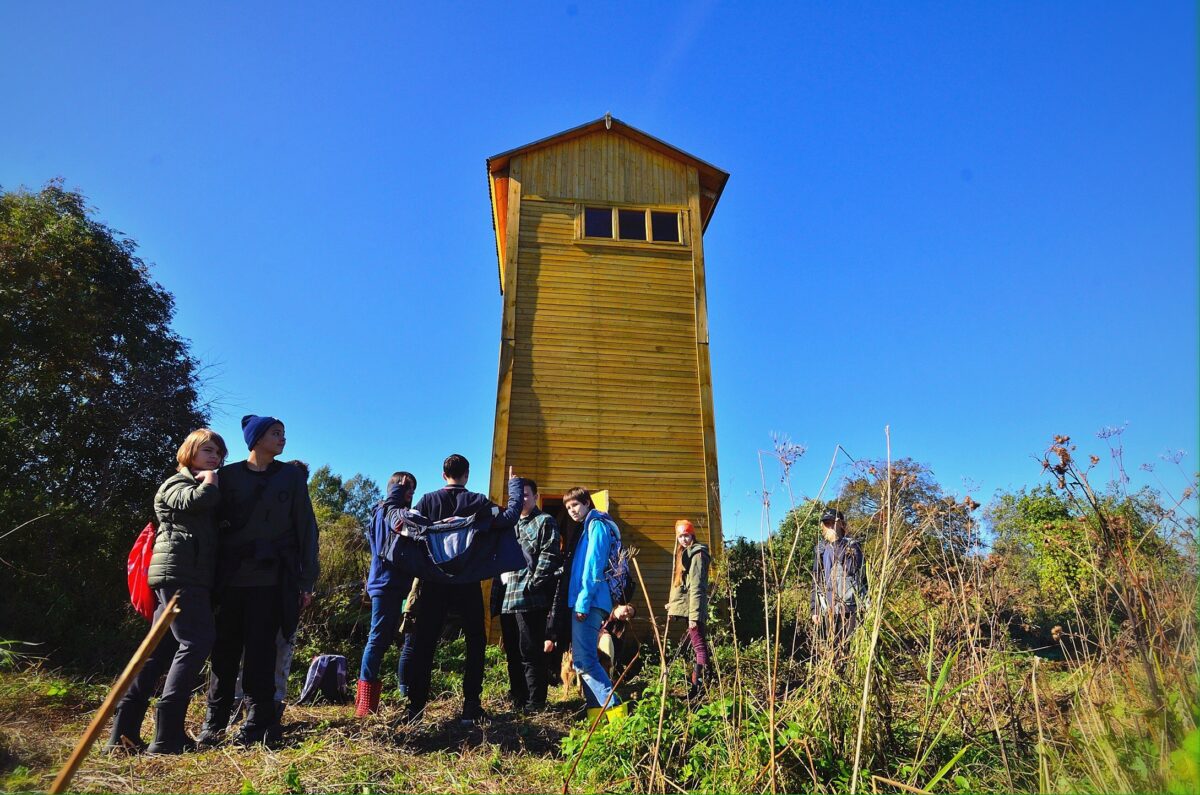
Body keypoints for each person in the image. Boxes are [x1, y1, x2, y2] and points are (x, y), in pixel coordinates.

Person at [198, 415, 319, 747]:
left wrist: (306, 579)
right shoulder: (228, 476)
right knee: (224, 653)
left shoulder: (292, 477)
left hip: (271, 580)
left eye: (283, 433)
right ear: (256, 439)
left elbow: (306, 528)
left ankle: (256, 724)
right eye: (275, 434)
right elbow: (207, 526)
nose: (282, 439)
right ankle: (214, 722)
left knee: (262, 653)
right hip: (230, 580)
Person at [105, 429, 226, 754]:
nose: (214, 458)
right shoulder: (178, 483)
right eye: (208, 451)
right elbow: (199, 501)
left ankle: (123, 734)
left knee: (158, 652)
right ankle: (167, 732)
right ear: (189, 452)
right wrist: (211, 480)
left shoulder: (194, 482)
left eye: (218, 454)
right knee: (197, 641)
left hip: (183, 574)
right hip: (180, 575)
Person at [403, 454, 521, 725]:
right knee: (475, 642)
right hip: (468, 582)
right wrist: (514, 487)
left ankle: (416, 708)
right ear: (466, 475)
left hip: (434, 582)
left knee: (424, 643)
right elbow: (509, 518)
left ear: (443, 475)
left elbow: (410, 527)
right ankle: (471, 706)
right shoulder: (477, 502)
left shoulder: (428, 501)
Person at [491, 478, 562, 714]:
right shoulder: (509, 526)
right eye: (517, 495)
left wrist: (533, 584)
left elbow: (549, 557)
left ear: (534, 496)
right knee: (512, 652)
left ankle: (535, 702)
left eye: (526, 495)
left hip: (529, 599)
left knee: (530, 652)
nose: (522, 499)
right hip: (506, 598)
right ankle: (517, 698)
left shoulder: (545, 522)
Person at [355, 471, 418, 716]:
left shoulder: (398, 513)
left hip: (396, 584)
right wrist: (395, 497)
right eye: (408, 489)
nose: (411, 494)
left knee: (390, 637)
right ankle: (365, 704)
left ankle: (371, 698)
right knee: (378, 638)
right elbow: (384, 546)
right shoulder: (384, 512)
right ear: (396, 489)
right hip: (385, 583)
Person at [563, 487, 626, 724]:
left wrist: (582, 602)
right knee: (584, 661)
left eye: (576, 505)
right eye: (568, 508)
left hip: (590, 601)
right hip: (588, 600)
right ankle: (597, 721)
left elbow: (593, 567)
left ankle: (617, 714)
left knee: (585, 661)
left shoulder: (596, 525)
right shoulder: (588, 527)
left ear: (588, 503)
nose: (572, 511)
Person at [810, 508, 868, 652]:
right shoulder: (821, 549)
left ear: (841, 524)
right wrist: (815, 609)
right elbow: (816, 580)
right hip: (831, 608)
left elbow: (855, 571)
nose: (830, 526)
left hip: (852, 607)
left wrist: (837, 542)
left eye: (832, 523)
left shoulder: (853, 545)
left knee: (852, 648)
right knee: (834, 650)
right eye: (827, 524)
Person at [666, 519, 711, 699]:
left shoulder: (698, 555)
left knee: (699, 646)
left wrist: (694, 616)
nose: (684, 539)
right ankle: (700, 687)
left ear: (693, 535)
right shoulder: (685, 554)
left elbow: (697, 586)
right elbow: (682, 585)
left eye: (687, 535)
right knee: (698, 645)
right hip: (689, 607)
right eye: (680, 536)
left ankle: (699, 689)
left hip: (694, 608)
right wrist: (673, 605)